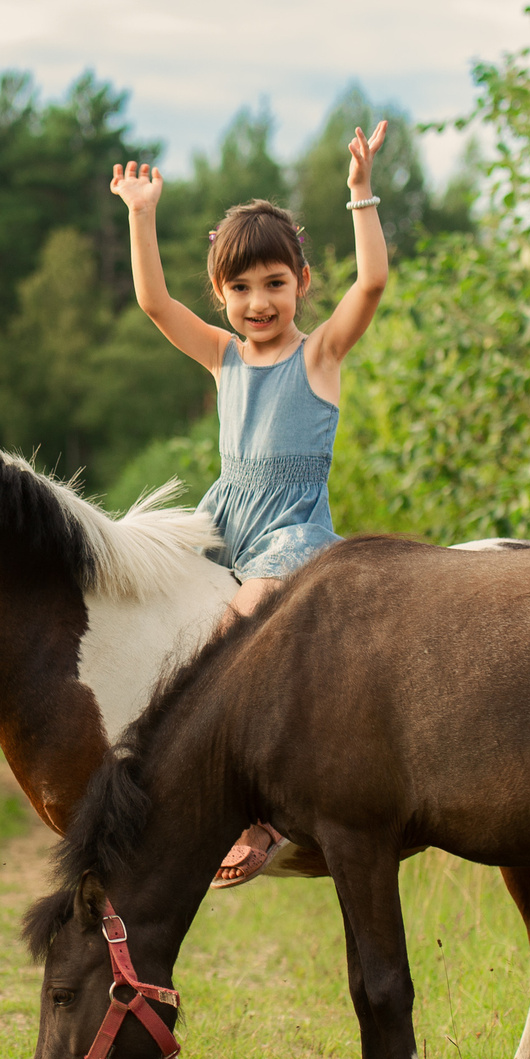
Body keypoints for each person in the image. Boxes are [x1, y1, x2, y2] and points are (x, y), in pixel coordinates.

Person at [110, 120, 394, 888]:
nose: (257, 301)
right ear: (222, 295)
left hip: (291, 536)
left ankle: (260, 812)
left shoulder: (319, 355)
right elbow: (154, 303)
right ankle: (151, 769)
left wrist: (360, 196)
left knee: (244, 622)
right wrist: (142, 213)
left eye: (274, 283)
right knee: (163, 617)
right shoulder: (224, 356)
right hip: (226, 523)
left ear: (302, 283)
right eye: (240, 288)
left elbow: (370, 284)